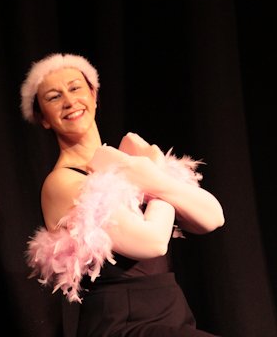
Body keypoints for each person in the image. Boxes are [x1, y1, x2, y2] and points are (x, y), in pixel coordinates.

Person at [21, 53, 225, 336]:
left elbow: (213, 218)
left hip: (170, 307)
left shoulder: (126, 165)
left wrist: (149, 174)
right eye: (54, 97)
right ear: (43, 118)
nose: (69, 101)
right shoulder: (62, 182)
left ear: (94, 95)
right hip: (123, 320)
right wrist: (152, 173)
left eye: (75, 88)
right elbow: (152, 242)